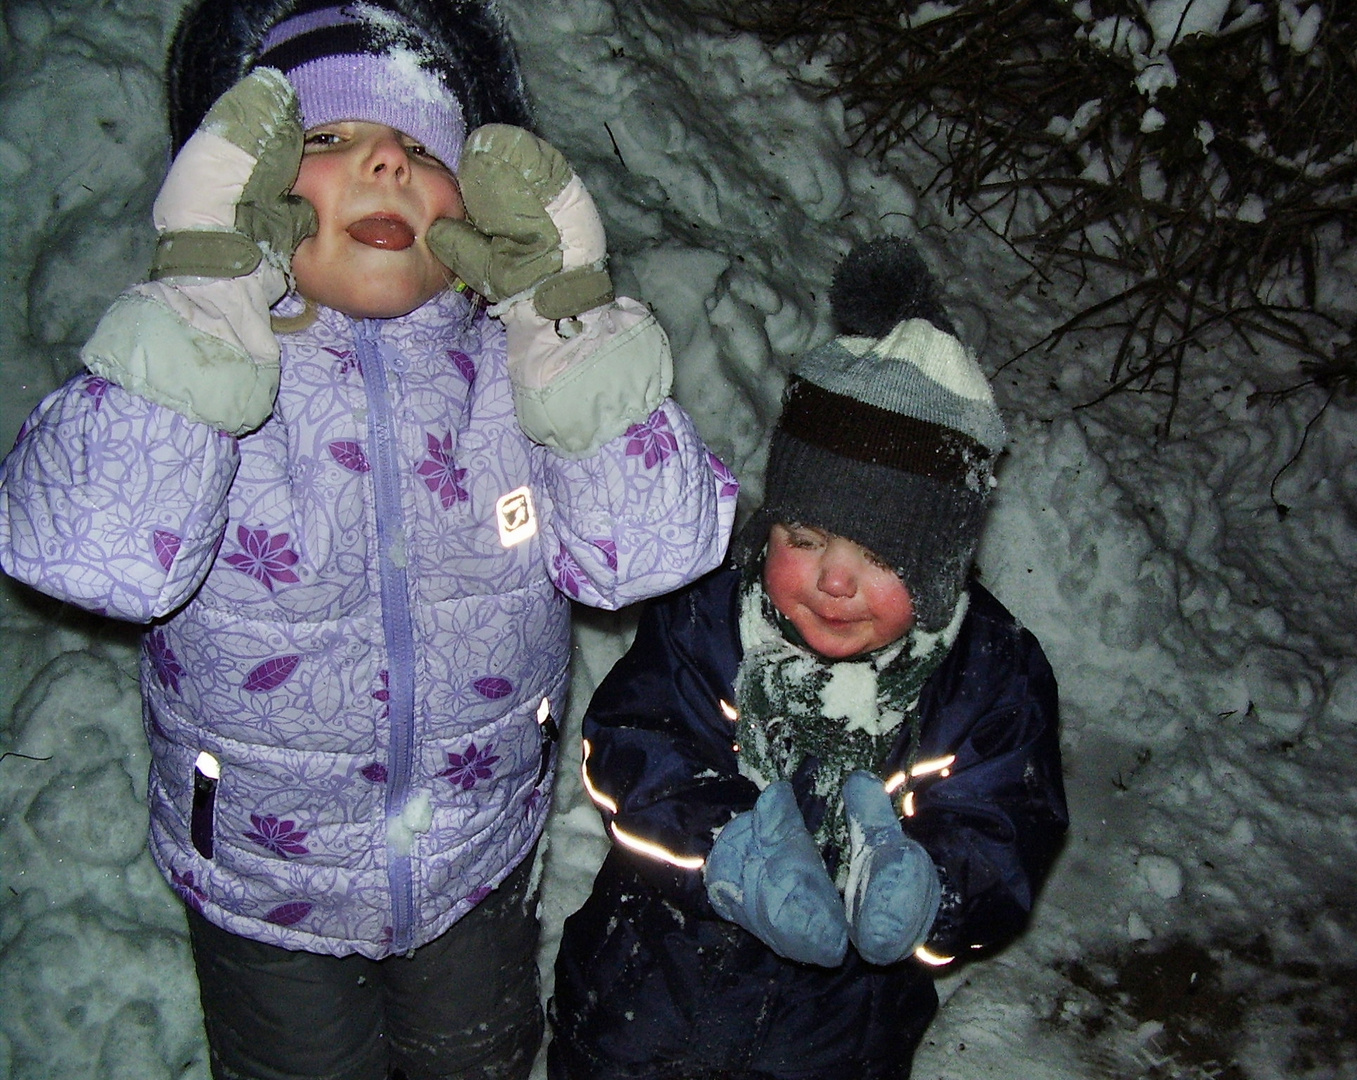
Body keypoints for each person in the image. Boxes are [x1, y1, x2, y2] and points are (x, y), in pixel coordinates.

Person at [0, 1, 736, 1078]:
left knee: (474, 1062)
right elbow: (88, 548)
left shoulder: (515, 372)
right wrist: (206, 293)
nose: (386, 161)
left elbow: (655, 546)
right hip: (262, 879)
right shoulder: (205, 364)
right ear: (238, 185)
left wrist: (562, 318)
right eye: (327, 141)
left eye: (425, 148)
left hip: (473, 856)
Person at [548, 238, 1069, 1080]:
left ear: (940, 563)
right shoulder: (714, 616)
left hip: (838, 1039)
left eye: (879, 555)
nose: (832, 579)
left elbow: (1006, 824)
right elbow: (632, 742)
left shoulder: (986, 678)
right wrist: (725, 849)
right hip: (645, 999)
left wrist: (928, 887)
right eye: (805, 537)